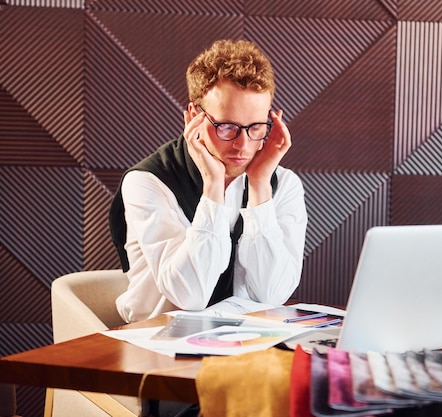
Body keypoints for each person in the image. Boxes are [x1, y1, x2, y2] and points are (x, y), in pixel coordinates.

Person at [109, 39, 308, 325]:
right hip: (155, 342)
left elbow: (272, 295)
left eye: (256, 128)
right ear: (194, 117)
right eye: (227, 127)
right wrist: (214, 187)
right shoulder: (148, 182)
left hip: (248, 339)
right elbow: (189, 296)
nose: (243, 145)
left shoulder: (283, 185)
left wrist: (260, 186)